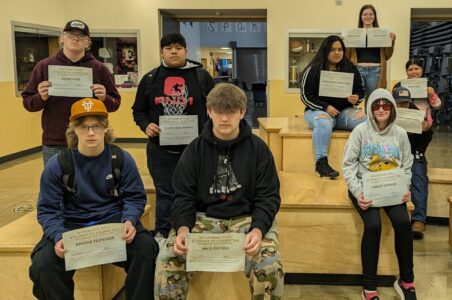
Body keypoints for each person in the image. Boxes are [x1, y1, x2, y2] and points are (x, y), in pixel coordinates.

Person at [154, 83, 284, 299]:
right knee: (168, 259)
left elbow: (268, 197)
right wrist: (183, 230)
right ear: (209, 112)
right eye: (219, 112)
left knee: (270, 263)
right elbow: (182, 197)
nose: (225, 118)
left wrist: (258, 229)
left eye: (231, 112)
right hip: (203, 219)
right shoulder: (194, 150)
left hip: (247, 220)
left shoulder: (259, 149)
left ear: (242, 112)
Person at [29, 98, 157, 300]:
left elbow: (134, 197)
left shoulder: (121, 159)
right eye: (83, 126)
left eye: (96, 126)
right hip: (72, 227)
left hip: (113, 223)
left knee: (146, 248)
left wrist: (129, 220)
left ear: (105, 128)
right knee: (43, 264)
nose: (90, 132)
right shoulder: (58, 164)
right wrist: (58, 235)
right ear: (74, 130)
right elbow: (48, 210)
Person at [132, 32, 215, 239]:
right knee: (165, 194)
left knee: (198, 192)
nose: (174, 51)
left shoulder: (201, 76)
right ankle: (162, 233)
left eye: (178, 47)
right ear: (162, 52)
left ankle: (194, 232)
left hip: (197, 150)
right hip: (161, 151)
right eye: (168, 48)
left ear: (186, 51)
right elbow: (138, 111)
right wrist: (146, 126)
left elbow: (216, 107)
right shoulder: (150, 79)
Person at [343, 88, 416, 300]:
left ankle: (406, 282)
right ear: (370, 109)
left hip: (392, 189)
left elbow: (407, 164)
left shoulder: (400, 133)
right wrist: (358, 193)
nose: (381, 109)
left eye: (386, 105)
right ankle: (369, 288)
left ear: (392, 108)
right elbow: (348, 166)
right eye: (376, 105)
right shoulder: (360, 131)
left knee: (403, 223)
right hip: (365, 189)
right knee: (373, 225)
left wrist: (405, 187)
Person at [22, 20, 121, 165]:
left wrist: (104, 98)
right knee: (56, 186)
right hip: (55, 142)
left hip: (90, 140)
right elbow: (28, 104)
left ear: (88, 42)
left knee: (91, 186)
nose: (76, 38)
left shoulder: (99, 68)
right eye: (71, 34)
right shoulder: (44, 66)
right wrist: (41, 97)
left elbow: (115, 104)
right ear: (62, 38)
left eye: (81, 36)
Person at [301, 35, 366, 179]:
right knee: (324, 122)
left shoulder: (351, 68)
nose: (337, 53)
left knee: (365, 121)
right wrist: (325, 107)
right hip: (317, 111)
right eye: (332, 50)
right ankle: (321, 163)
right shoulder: (313, 70)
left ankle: (366, 160)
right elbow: (305, 96)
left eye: (340, 49)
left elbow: (361, 92)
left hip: (343, 112)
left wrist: (356, 98)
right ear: (325, 51)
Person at [393, 59, 442, 239]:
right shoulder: (390, 114)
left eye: (417, 68)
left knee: (418, 176)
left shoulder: (428, 86)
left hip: (417, 145)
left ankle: (419, 219)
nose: (413, 71)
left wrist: (424, 129)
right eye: (410, 69)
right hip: (394, 154)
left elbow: (437, 106)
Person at [345, 4, 396, 101]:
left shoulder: (382, 33)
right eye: (365, 14)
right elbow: (347, 57)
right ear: (361, 17)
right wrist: (346, 43)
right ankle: (354, 116)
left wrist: (392, 41)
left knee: (372, 99)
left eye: (371, 14)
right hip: (357, 69)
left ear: (375, 16)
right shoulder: (354, 34)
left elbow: (387, 56)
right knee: (353, 98)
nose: (368, 17)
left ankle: (370, 116)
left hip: (375, 70)